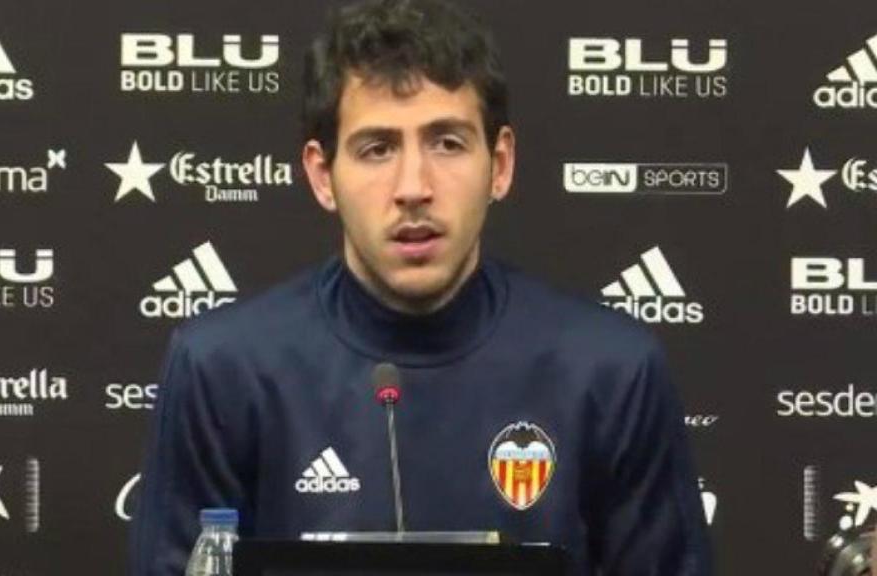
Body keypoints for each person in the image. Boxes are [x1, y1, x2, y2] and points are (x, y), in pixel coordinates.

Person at [129, 1, 713, 574]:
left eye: (447, 142)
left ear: (501, 164)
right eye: (377, 149)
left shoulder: (612, 370)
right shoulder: (220, 369)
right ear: (321, 175)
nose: (413, 186)